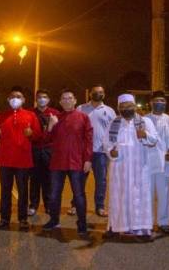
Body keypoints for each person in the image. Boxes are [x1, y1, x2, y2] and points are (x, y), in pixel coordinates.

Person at [103, 93, 159, 242]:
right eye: (123, 107)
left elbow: (154, 140)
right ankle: (115, 227)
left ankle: (143, 230)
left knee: (140, 198)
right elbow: (106, 143)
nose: (126, 109)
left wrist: (145, 134)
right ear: (119, 108)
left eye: (129, 106)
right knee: (117, 198)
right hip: (119, 170)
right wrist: (111, 152)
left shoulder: (145, 122)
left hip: (139, 168)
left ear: (134, 107)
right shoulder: (113, 123)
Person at [42, 89, 93, 237]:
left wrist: (88, 159)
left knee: (79, 195)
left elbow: (89, 140)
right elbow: (45, 140)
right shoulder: (55, 117)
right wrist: (51, 126)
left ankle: (82, 224)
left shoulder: (83, 117)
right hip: (58, 162)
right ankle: (54, 219)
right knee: (54, 194)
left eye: (70, 98)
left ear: (75, 101)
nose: (67, 100)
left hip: (76, 162)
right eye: (63, 98)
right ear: (59, 102)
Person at [0, 86, 42, 231]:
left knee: (23, 190)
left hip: (23, 160)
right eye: (13, 96)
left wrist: (31, 133)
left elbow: (38, 136)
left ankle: (23, 219)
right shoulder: (1, 115)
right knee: (5, 191)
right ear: (8, 100)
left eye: (18, 96)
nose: (15, 99)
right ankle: (4, 219)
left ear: (24, 100)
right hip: (5, 159)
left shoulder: (30, 115)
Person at [73, 84, 116, 217]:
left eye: (101, 92)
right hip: (83, 151)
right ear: (90, 93)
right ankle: (75, 205)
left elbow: (114, 132)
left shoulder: (109, 111)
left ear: (104, 94)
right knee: (79, 179)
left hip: (101, 152)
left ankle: (100, 206)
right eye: (96, 92)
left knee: (101, 180)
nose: (98, 94)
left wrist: (113, 147)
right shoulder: (81, 108)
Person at [144, 91, 169, 234]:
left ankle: (163, 222)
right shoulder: (143, 120)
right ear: (151, 103)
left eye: (162, 101)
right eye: (157, 100)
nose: (160, 103)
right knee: (147, 194)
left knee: (164, 193)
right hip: (147, 163)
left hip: (165, 163)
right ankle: (146, 222)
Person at [29, 89, 60, 217]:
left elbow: (59, 134)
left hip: (49, 150)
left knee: (49, 179)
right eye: (40, 97)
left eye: (45, 97)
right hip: (34, 149)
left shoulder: (55, 113)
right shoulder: (30, 113)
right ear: (36, 99)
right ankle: (33, 205)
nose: (42, 99)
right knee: (34, 179)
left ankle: (48, 205)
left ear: (49, 99)